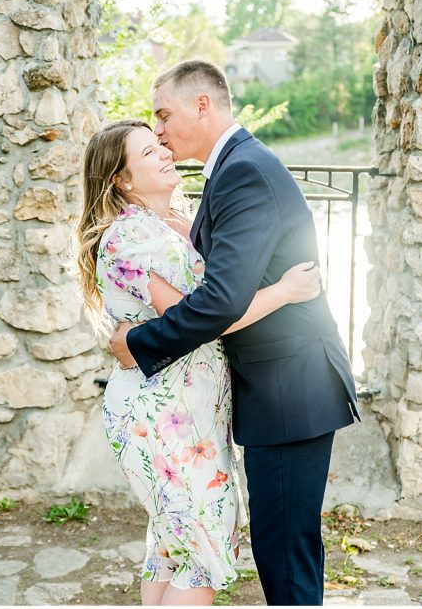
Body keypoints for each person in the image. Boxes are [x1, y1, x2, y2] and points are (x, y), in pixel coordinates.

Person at [107, 60, 360, 606]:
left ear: (203, 105)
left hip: (290, 389)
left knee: (283, 552)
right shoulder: (232, 170)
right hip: (273, 389)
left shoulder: (243, 169)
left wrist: (137, 344)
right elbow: (221, 271)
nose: (159, 132)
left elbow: (221, 299)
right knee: (275, 545)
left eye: (164, 115)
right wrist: (180, 231)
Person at [76, 119, 323, 605]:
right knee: (202, 549)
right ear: (121, 181)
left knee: (172, 548)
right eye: (149, 152)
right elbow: (205, 317)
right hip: (165, 416)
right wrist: (284, 292)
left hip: (186, 408)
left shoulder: (168, 226)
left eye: (159, 142)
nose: (165, 151)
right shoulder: (133, 237)